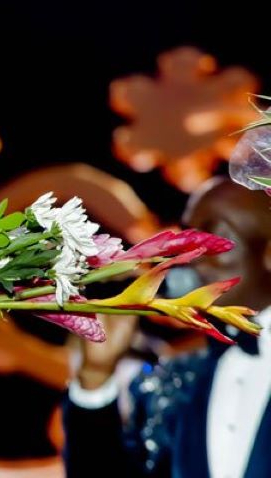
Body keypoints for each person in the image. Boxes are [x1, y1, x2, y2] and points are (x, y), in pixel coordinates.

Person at [62, 176, 271, 478]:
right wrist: (95, 377)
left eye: (212, 240)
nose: (188, 258)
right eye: (188, 239)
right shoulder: (178, 385)